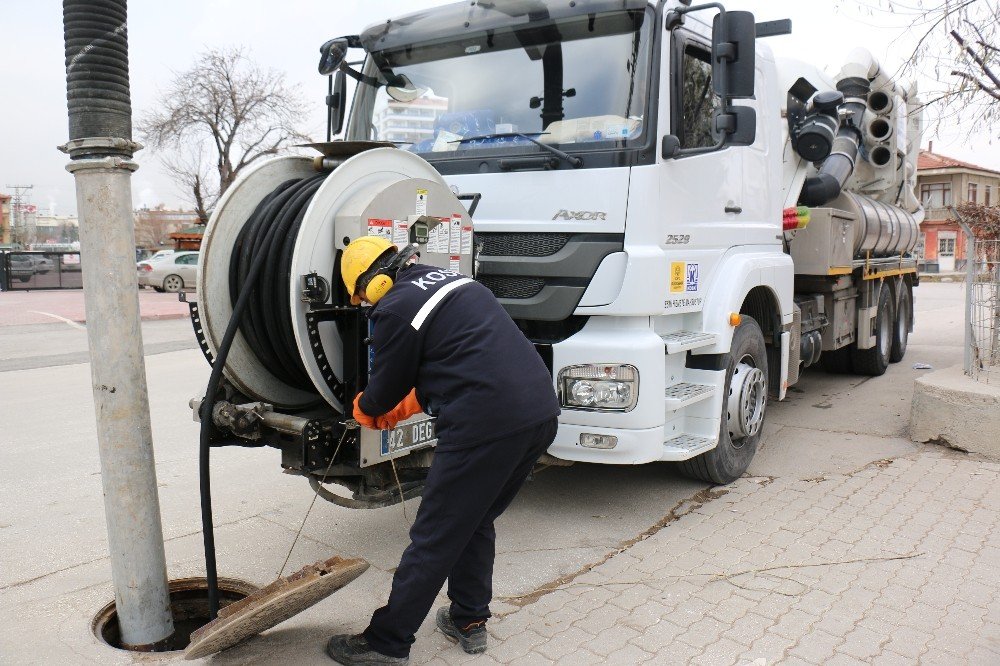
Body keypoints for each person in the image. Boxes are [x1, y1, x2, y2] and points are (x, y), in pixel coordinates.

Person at [326, 236, 561, 665]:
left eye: (362, 297)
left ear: (374, 283)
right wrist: (410, 403)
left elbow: (382, 393)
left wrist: (367, 408)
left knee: (434, 537)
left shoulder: (394, 309)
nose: (367, 305)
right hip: (539, 415)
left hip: (484, 425)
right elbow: (458, 359)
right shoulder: (454, 282)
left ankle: (387, 642)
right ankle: (469, 620)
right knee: (475, 518)